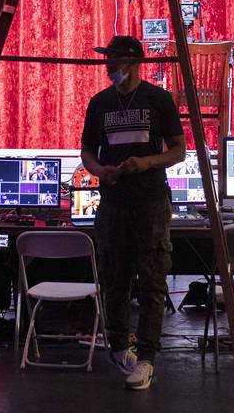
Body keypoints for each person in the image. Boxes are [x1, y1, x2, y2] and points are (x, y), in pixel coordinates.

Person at [80, 34, 186, 391]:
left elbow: (179, 150)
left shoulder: (158, 99)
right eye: (107, 59)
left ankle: (147, 359)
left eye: (114, 59)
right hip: (113, 201)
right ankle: (119, 347)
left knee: (153, 280)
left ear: (134, 62)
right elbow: (87, 151)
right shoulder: (99, 103)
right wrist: (100, 170)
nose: (108, 65)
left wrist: (147, 162)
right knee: (115, 278)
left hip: (151, 200)